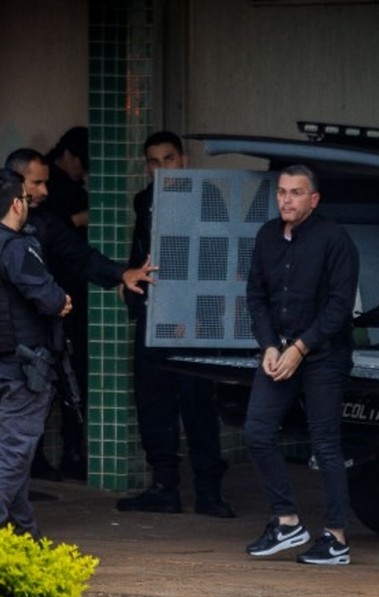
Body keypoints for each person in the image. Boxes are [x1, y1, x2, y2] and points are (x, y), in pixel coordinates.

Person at [0, 149, 155, 492]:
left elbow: (80, 257)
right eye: (37, 182)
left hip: (27, 349)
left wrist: (122, 273)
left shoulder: (43, 222)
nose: (46, 191)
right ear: (16, 184)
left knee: (19, 434)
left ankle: (7, 508)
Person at [243, 164, 360, 566]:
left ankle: (336, 538)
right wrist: (269, 346)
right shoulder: (266, 236)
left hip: (324, 354)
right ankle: (288, 521)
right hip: (279, 350)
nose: (286, 200)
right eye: (281, 192)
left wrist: (301, 347)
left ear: (314, 199)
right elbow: (256, 296)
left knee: (325, 445)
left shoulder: (335, 239)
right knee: (257, 431)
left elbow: (340, 307)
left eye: (295, 193)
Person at [116, 131, 234, 518]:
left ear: (183, 160)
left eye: (168, 158)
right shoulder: (145, 200)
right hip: (154, 316)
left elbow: (217, 261)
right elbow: (142, 255)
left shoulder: (207, 196)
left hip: (194, 322)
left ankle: (208, 492)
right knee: (153, 402)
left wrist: (197, 318)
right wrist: (129, 287)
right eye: (153, 160)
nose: (160, 167)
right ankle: (164, 486)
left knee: (198, 404)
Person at [0, 168, 72, 539]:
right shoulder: (16, 247)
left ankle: (25, 536)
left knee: (10, 454)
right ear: (18, 204)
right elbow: (51, 300)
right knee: (12, 456)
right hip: (21, 372)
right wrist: (62, 300)